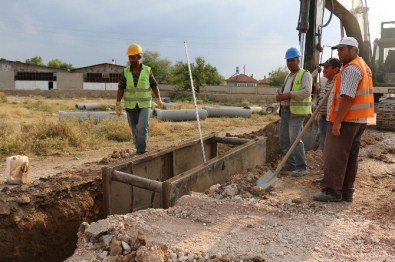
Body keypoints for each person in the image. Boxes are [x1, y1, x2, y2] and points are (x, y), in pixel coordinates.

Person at [313, 37, 374, 202]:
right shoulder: (364, 67)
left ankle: (332, 192)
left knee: (335, 157)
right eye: (338, 50)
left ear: (353, 50)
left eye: (342, 50)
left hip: (346, 121)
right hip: (357, 121)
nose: (339, 53)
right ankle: (347, 193)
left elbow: (347, 97)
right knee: (350, 158)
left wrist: (337, 122)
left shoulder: (351, 69)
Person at [115, 43, 163, 155]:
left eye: (133, 57)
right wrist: (118, 103)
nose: (131, 59)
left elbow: (154, 85)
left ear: (139, 57)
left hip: (144, 104)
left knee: (142, 127)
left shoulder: (147, 70)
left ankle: (142, 151)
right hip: (130, 105)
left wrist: (159, 99)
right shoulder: (126, 71)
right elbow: (121, 88)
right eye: (129, 57)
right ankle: (138, 149)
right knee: (134, 129)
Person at [276, 47, 312, 177]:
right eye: (288, 61)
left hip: (296, 113)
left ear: (298, 60)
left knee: (295, 140)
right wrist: (280, 96)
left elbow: (307, 91)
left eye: (292, 60)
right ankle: (290, 164)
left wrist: (288, 95)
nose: (290, 63)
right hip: (285, 111)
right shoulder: (288, 76)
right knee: (284, 140)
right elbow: (286, 92)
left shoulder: (305, 74)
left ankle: (301, 167)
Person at [316, 58, 342, 151]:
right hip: (324, 119)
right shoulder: (326, 82)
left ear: (335, 69)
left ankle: (331, 165)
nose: (324, 70)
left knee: (331, 148)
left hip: (332, 120)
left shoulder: (338, 83)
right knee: (324, 147)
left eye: (327, 67)